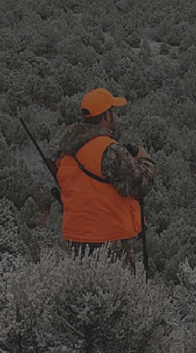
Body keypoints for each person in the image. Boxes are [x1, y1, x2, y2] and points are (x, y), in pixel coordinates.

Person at [56, 88, 156, 271]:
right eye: (113, 111)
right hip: (110, 241)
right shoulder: (109, 150)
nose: (115, 116)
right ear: (107, 116)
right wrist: (144, 159)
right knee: (118, 297)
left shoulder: (68, 151)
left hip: (76, 239)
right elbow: (140, 186)